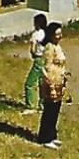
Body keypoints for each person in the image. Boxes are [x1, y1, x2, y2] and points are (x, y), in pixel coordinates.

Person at [36, 21, 68, 149]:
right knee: (49, 111)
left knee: (55, 110)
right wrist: (51, 86)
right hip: (52, 83)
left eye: (60, 34)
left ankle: (52, 134)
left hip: (59, 81)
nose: (59, 36)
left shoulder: (57, 46)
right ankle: (45, 137)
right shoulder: (49, 47)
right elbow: (47, 68)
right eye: (57, 34)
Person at [22, 12, 48, 114]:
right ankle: (43, 105)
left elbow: (33, 49)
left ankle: (30, 106)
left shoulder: (36, 35)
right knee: (43, 84)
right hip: (46, 59)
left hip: (38, 60)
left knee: (29, 83)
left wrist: (33, 55)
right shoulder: (47, 34)